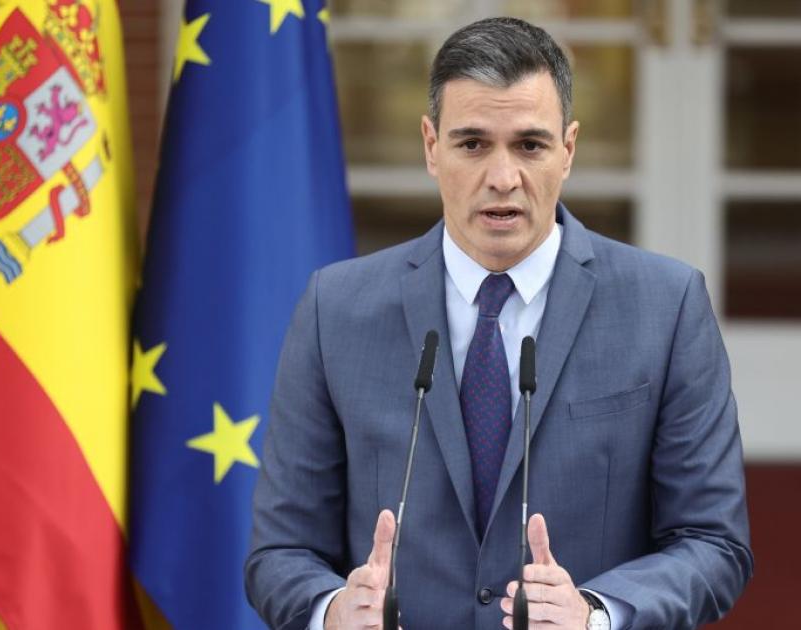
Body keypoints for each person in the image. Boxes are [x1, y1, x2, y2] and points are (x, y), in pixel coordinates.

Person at [245, 17, 752, 630]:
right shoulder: (335, 309)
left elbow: (712, 543)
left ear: (568, 150)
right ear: (431, 146)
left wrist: (596, 614)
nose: (503, 178)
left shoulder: (666, 306)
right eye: (473, 144)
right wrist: (332, 611)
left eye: (530, 146)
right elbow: (280, 551)